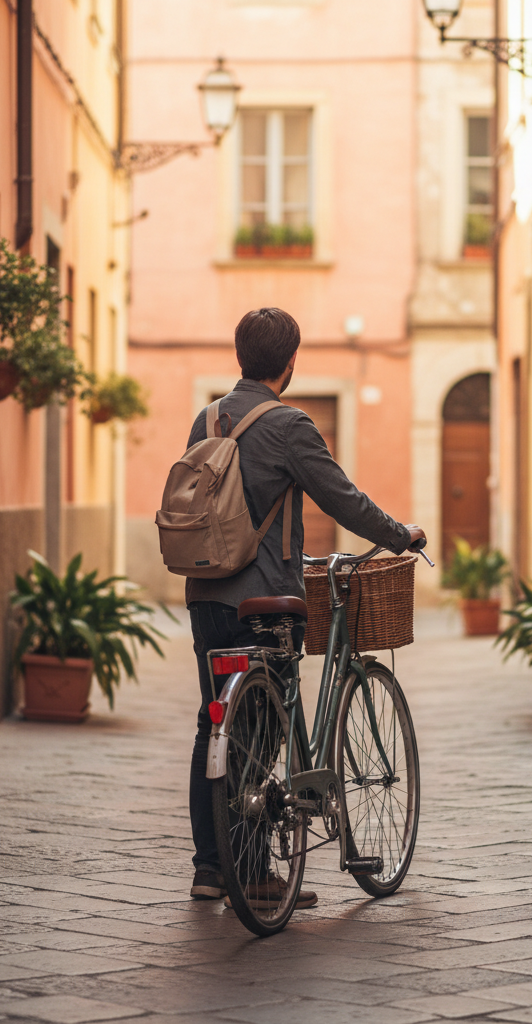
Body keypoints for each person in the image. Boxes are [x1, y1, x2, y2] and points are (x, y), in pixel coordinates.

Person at [186, 307, 426, 909]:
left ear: (241, 356)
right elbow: (342, 499)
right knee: (260, 734)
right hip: (267, 600)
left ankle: (211, 869)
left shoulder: (206, 417)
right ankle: (256, 870)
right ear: (291, 362)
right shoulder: (291, 425)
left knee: (217, 726)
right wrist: (400, 535)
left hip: (207, 598)